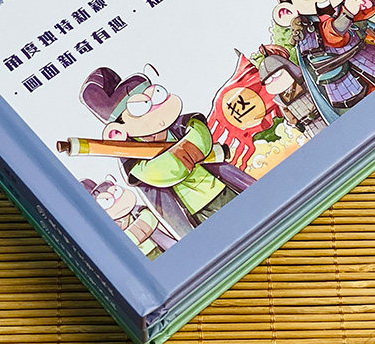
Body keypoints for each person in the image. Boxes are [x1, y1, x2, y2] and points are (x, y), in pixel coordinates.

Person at [78, 66, 254, 238]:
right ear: (117, 131)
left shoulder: (179, 125)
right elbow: (161, 172)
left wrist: (189, 149)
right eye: (140, 107)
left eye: (156, 95)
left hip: (225, 186)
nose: (155, 108)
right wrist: (184, 153)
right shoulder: (131, 157)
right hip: (198, 209)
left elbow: (200, 135)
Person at [80, 175, 176, 259]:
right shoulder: (102, 231)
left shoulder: (138, 211)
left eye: (116, 192)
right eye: (106, 201)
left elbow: (150, 219)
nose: (117, 201)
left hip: (159, 248)